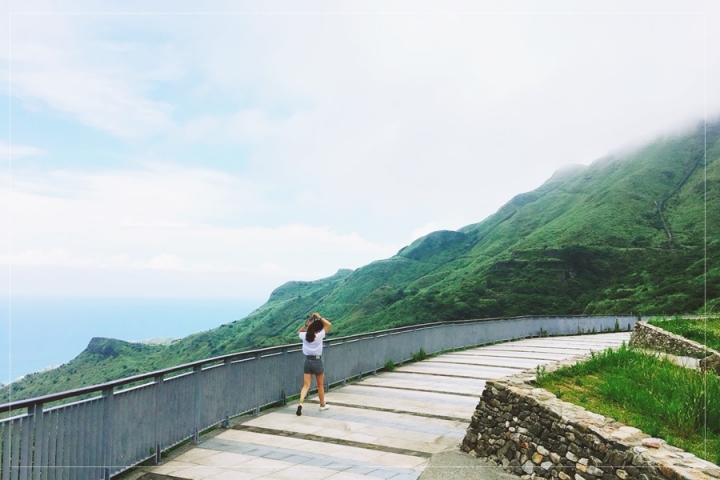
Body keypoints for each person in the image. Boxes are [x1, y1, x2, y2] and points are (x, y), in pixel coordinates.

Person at [296, 312, 332, 416]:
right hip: (317, 361)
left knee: (306, 385)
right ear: (319, 329)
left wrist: (307, 324)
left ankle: (301, 403)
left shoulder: (305, 335)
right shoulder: (319, 335)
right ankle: (322, 405)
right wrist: (319, 317)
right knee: (320, 385)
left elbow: (299, 332)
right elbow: (329, 324)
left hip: (307, 361)